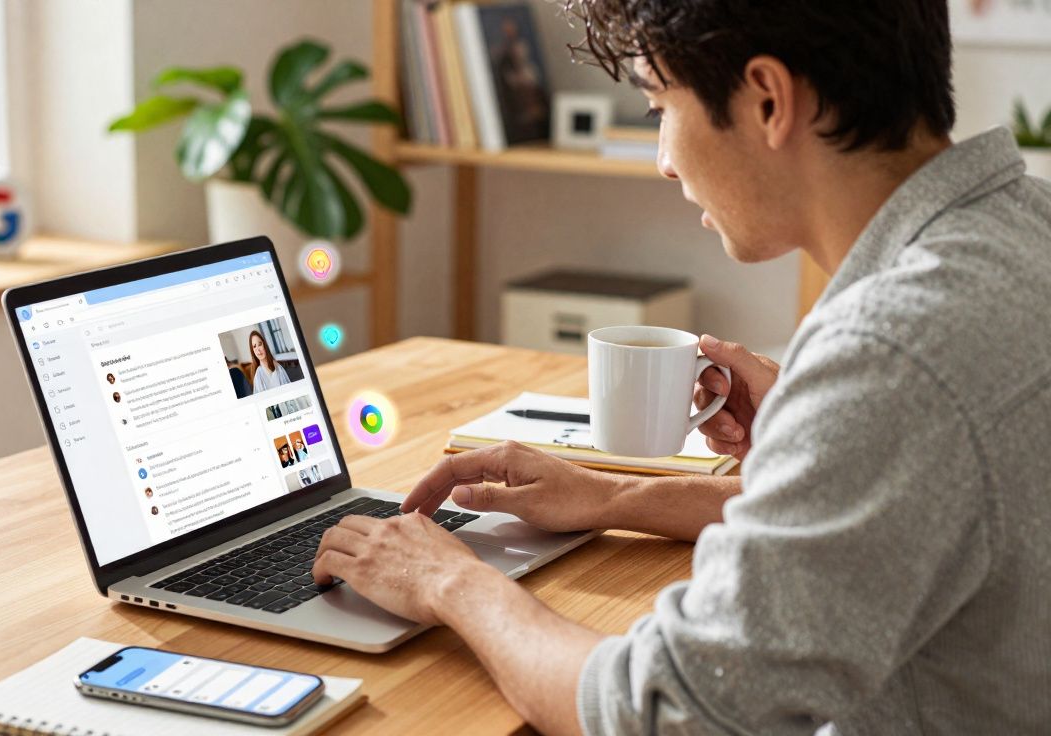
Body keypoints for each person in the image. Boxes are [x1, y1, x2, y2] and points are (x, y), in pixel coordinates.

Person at [311, 2, 1051, 734]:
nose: (665, 159)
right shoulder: (1026, 227)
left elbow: (660, 712)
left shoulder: (893, 355)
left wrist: (451, 581)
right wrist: (614, 497)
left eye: (659, 104)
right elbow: (919, 512)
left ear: (767, 100)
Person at [249, 329, 292, 394]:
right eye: (254, 346)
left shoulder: (278, 367)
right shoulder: (258, 375)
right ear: (253, 352)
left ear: (264, 345)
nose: (258, 349)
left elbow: (289, 389)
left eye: (260, 344)